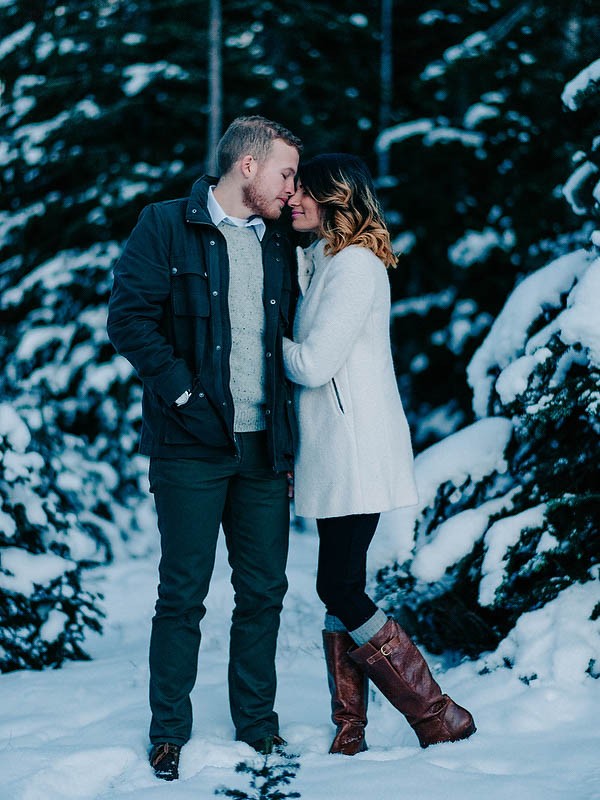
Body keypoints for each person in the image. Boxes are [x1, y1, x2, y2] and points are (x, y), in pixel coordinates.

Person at [107, 116, 302, 781]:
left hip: (263, 449)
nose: (292, 188)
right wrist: (185, 396)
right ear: (247, 167)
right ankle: (169, 732)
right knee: (183, 592)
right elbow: (128, 319)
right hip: (188, 445)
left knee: (264, 591)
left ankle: (257, 724)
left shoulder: (280, 240)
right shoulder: (165, 225)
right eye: (285, 172)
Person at [283, 154, 476, 756]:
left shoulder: (357, 268)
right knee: (341, 583)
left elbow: (313, 364)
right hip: (338, 452)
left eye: (304, 191)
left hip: (354, 452)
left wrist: (264, 342)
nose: (293, 198)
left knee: (339, 587)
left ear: (334, 197)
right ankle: (350, 728)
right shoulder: (326, 261)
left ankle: (437, 711)